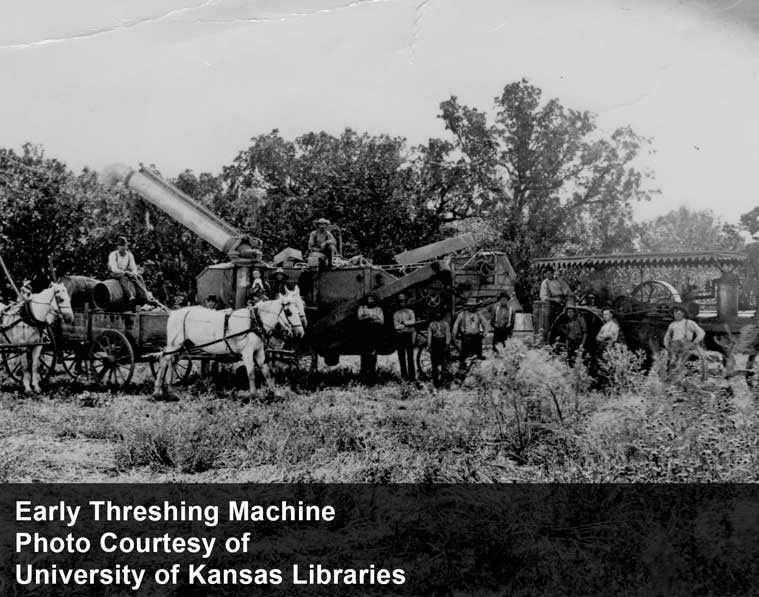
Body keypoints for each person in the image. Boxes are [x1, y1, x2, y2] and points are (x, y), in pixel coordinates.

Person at [664, 303, 705, 370]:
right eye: (675, 312)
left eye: (678, 312)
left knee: (682, 364)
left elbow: (701, 333)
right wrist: (666, 345)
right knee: (671, 364)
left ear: (683, 313)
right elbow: (667, 336)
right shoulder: (672, 325)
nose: (676, 314)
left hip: (686, 346)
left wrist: (695, 342)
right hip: (675, 346)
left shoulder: (690, 323)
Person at [452, 298, 488, 368]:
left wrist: (485, 332)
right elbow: (456, 325)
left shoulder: (478, 314)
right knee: (464, 354)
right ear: (467, 306)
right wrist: (454, 335)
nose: (471, 307)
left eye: (473, 306)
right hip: (466, 338)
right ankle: (462, 366)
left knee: (477, 354)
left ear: (475, 306)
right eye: (470, 305)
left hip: (476, 337)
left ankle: (476, 367)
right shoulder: (462, 314)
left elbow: (485, 323)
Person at [357, 294, 384, 382]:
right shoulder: (362, 308)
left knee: (373, 354)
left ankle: (372, 376)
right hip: (364, 333)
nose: (370, 301)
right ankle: (363, 375)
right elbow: (360, 317)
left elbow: (381, 321)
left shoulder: (378, 309)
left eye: (372, 299)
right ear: (366, 300)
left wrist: (367, 317)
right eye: (369, 299)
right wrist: (372, 317)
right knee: (364, 354)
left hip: (374, 333)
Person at [108, 236, 140, 303]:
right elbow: (114, 269)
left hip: (125, 272)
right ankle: (129, 296)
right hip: (114, 273)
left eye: (124, 246)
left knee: (139, 277)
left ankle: (144, 296)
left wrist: (134, 274)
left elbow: (133, 267)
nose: (122, 248)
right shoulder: (113, 255)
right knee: (123, 278)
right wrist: (125, 272)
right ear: (118, 247)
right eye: (120, 246)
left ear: (126, 247)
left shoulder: (129, 255)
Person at [393, 293, 416, 381]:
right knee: (401, 357)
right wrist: (406, 324)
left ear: (406, 302)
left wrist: (403, 323)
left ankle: (412, 377)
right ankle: (404, 377)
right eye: (400, 302)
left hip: (408, 336)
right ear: (398, 303)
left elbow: (413, 321)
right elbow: (396, 326)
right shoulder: (396, 314)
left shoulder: (410, 312)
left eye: (404, 301)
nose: (402, 303)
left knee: (410, 358)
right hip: (400, 337)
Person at [426, 310, 451, 387]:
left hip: (443, 343)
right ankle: (436, 383)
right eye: (436, 314)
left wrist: (447, 344)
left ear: (441, 315)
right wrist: (429, 345)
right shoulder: (431, 324)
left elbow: (448, 334)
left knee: (444, 364)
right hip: (435, 344)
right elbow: (429, 336)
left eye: (439, 314)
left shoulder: (445, 324)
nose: (438, 316)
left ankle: (444, 382)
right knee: (434, 365)